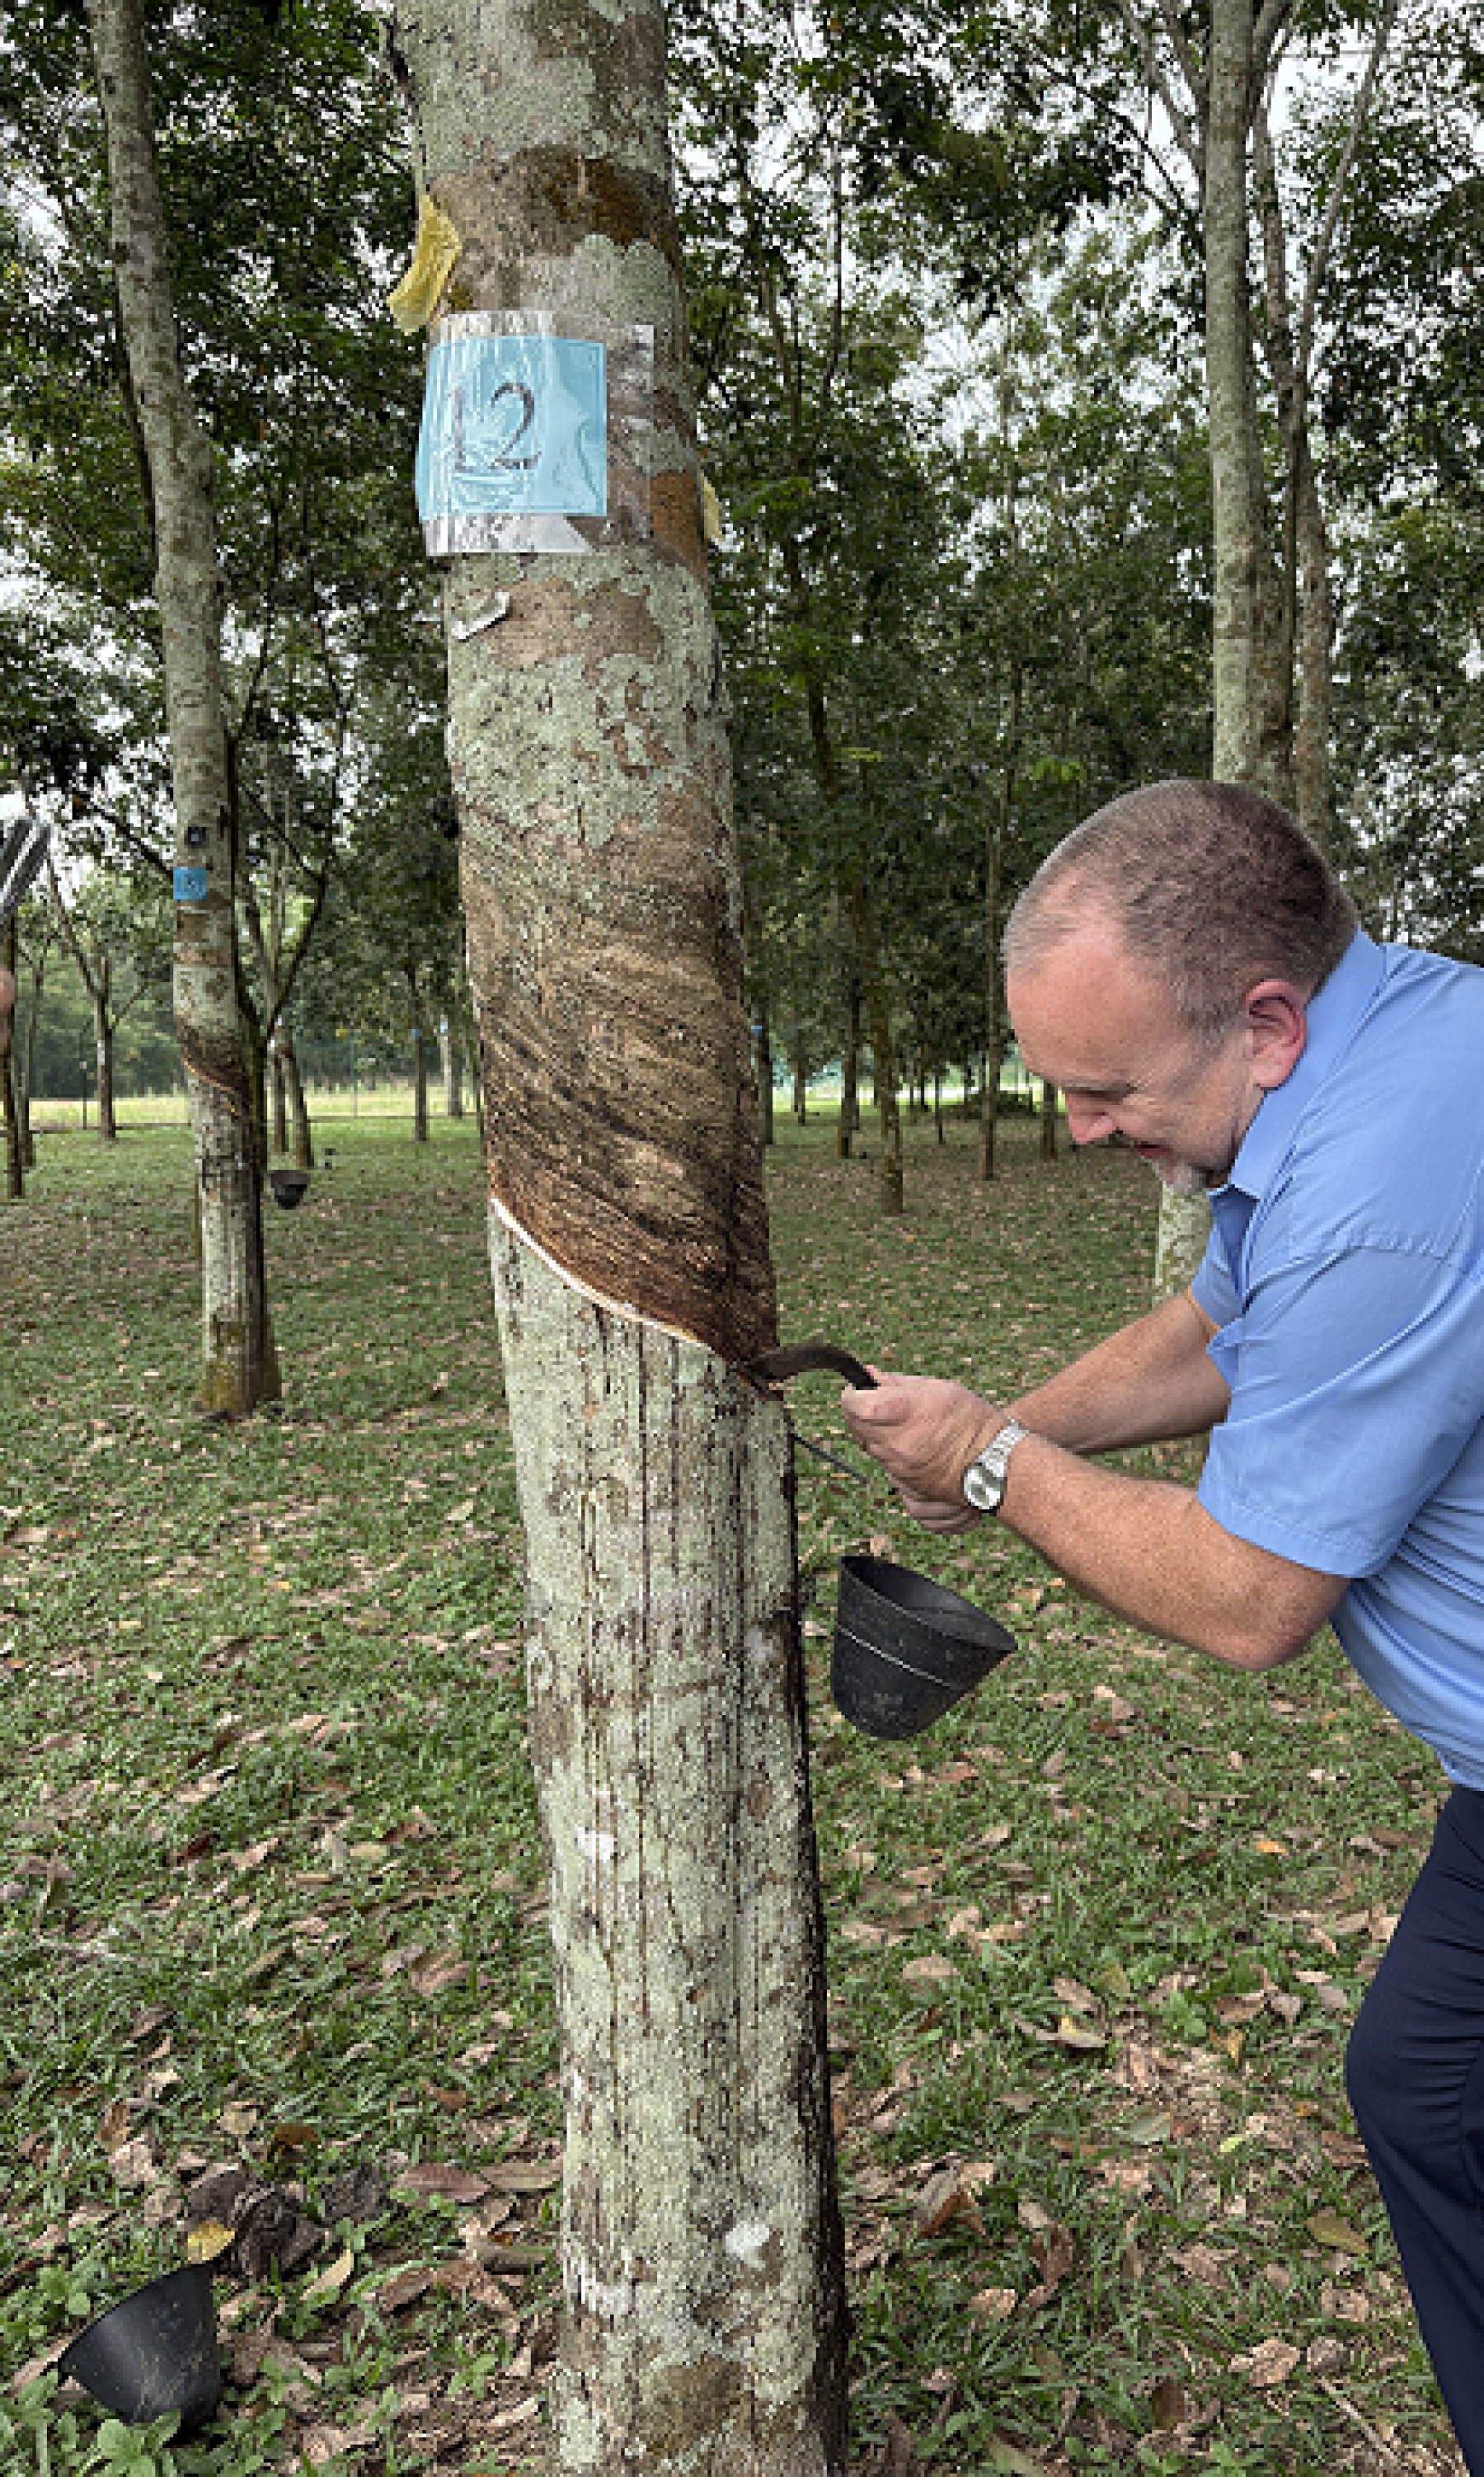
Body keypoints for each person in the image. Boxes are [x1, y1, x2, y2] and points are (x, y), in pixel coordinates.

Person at [839, 778, 1484, 2470]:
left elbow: (1251, 1592)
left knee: (1437, 2090)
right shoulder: (1399, 1035)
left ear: (1264, 1023)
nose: (1079, 1128)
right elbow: (1218, 1326)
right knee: (1428, 2084)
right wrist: (1006, 1434)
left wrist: (991, 1465)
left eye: (1108, 1089)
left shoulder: (1380, 1183)